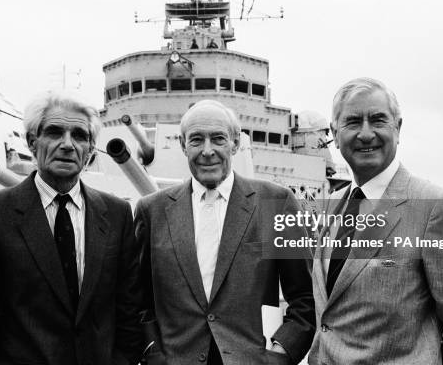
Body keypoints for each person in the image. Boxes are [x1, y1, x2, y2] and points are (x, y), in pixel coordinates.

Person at [308, 78, 443, 364]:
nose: (366, 134)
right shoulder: (333, 204)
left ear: (398, 128)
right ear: (334, 132)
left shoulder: (435, 208)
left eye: (378, 120)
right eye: (353, 122)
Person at [0, 94, 142, 365]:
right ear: (32, 142)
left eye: (79, 135)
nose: (67, 144)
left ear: (90, 149)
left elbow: (129, 308)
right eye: (54, 132)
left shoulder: (117, 214)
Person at [135, 100, 315, 365]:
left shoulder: (276, 202)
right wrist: (153, 353)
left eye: (218, 139)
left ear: (235, 144)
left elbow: (304, 297)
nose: (208, 151)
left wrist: (279, 356)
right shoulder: (151, 210)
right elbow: (137, 299)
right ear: (183, 145)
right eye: (196, 140)